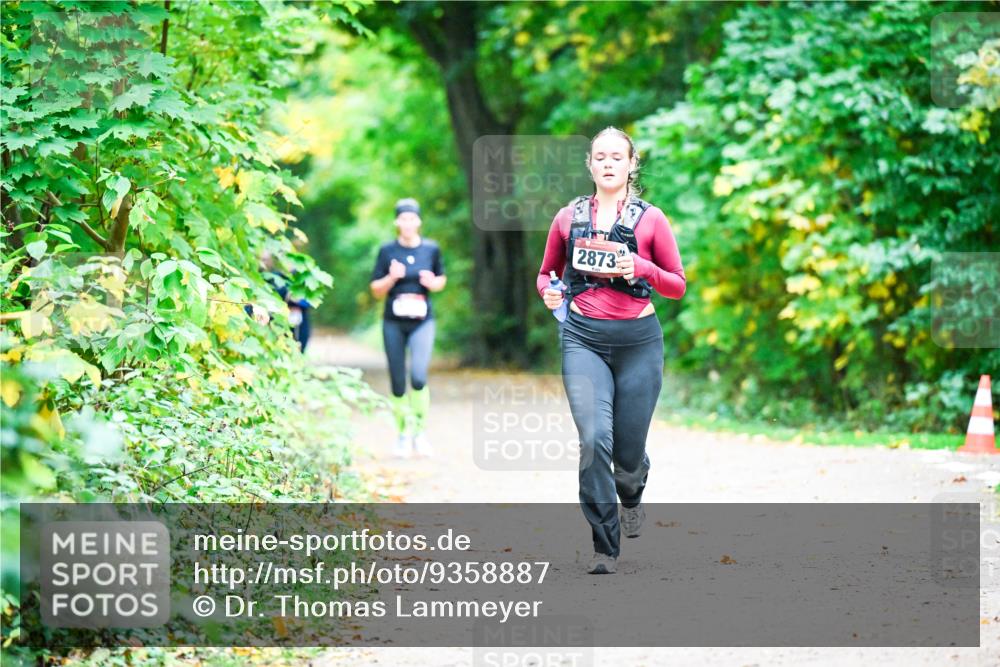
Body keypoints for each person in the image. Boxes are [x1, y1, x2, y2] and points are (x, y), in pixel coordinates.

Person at [536, 127, 686, 574]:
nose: (607, 163)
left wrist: (639, 265)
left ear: (630, 164)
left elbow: (676, 285)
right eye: (600, 156)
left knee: (626, 451)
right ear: (590, 164)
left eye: (616, 157)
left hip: (639, 343)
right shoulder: (567, 217)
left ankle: (633, 487)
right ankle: (605, 546)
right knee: (594, 438)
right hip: (583, 338)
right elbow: (546, 274)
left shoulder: (651, 219)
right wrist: (549, 293)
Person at [370, 198, 447, 458]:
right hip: (393, 322)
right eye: (403, 218)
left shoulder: (431, 249)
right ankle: (403, 434)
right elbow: (375, 290)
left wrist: (432, 282)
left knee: (418, 376)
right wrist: (392, 277)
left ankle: (419, 432)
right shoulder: (386, 251)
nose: (407, 223)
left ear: (418, 221)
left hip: (422, 322)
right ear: (397, 222)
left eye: (412, 218)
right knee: (397, 381)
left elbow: (441, 280)